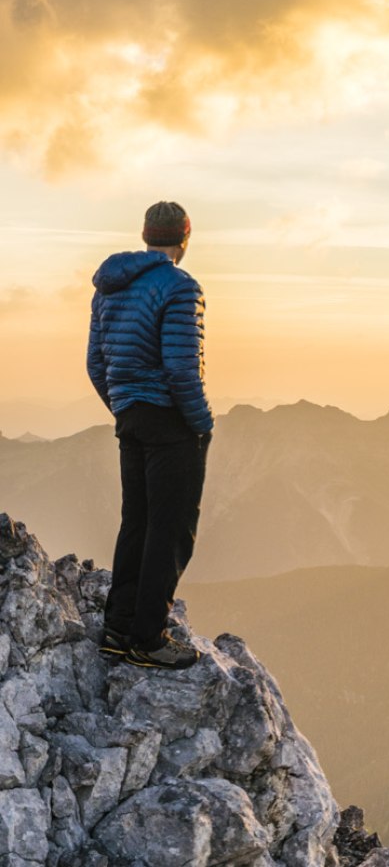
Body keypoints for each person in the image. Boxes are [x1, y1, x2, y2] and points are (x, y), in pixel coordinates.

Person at [86, 201, 213, 671]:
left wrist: (123, 406)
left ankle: (118, 630)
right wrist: (202, 424)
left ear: (145, 235)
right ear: (185, 237)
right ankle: (148, 639)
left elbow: (96, 364)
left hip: (131, 417)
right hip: (170, 420)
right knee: (171, 529)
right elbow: (182, 368)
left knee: (135, 522)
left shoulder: (108, 288)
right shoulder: (181, 288)